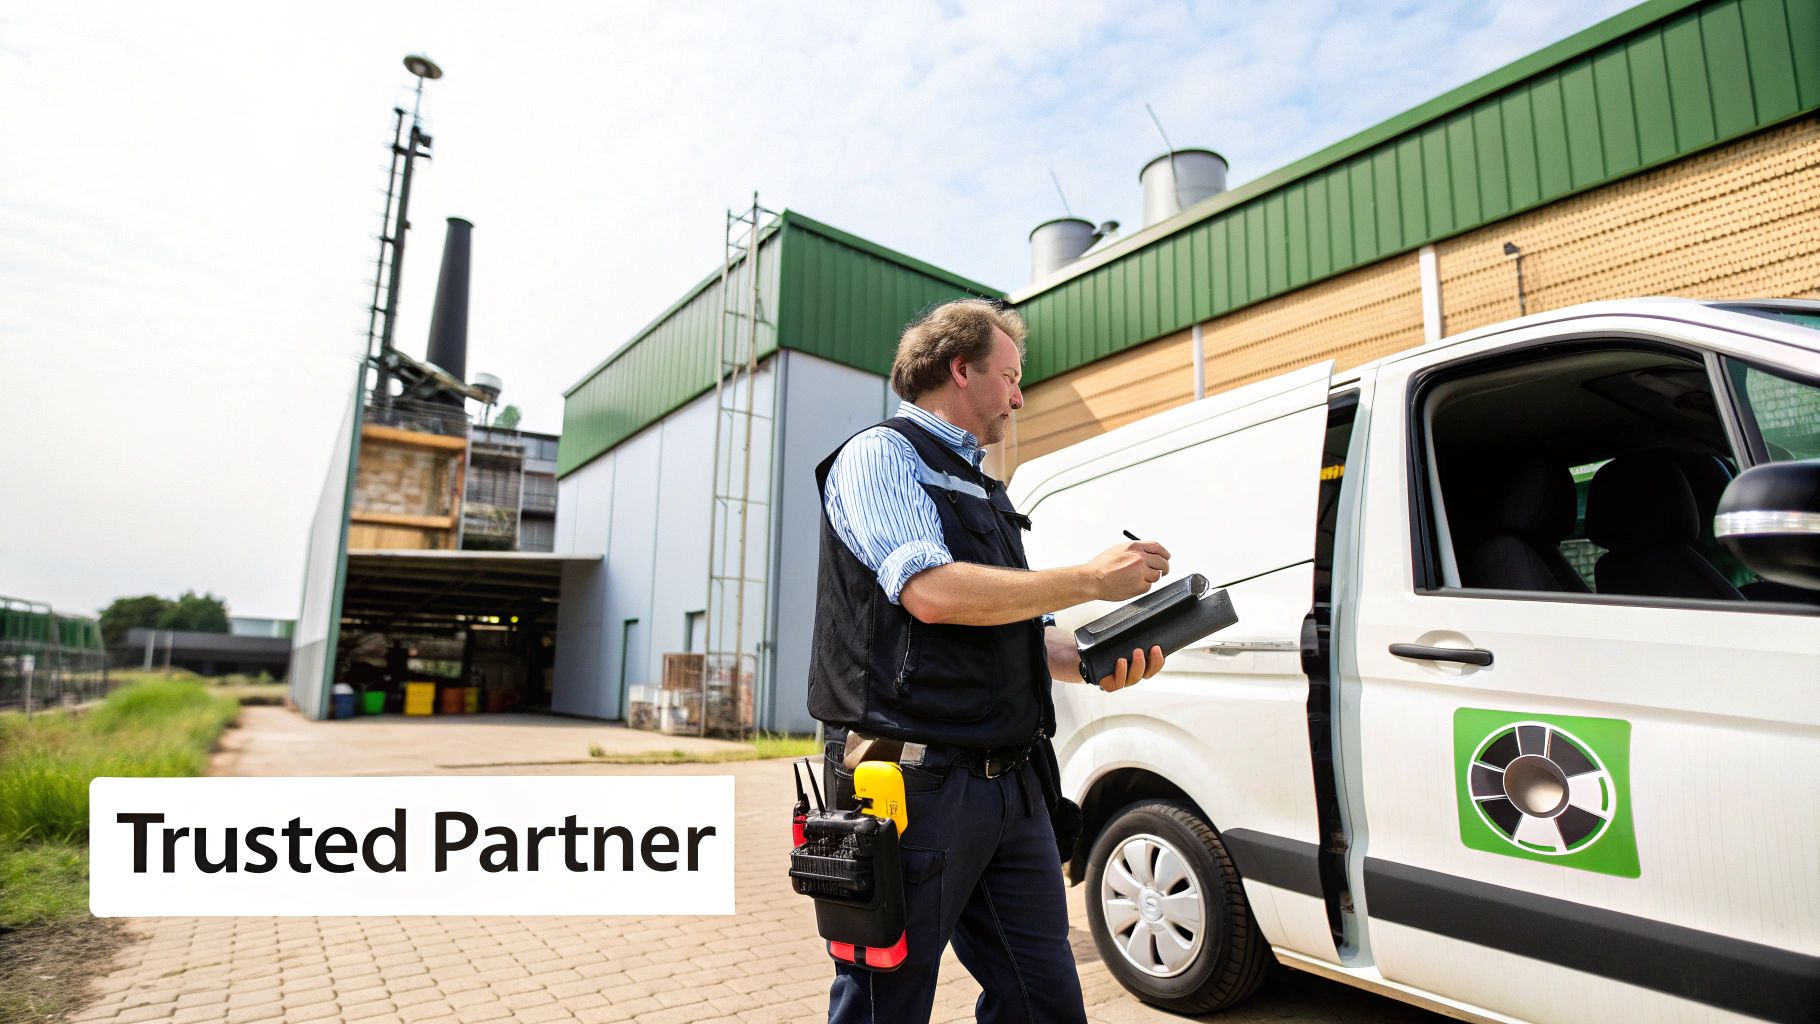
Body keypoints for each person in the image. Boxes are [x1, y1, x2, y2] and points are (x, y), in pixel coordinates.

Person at [807, 298, 1171, 1023]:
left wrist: (1098, 656)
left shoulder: (983, 487)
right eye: (1009, 375)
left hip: (1013, 784)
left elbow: (1017, 632)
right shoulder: (883, 456)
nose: (1020, 394)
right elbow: (932, 594)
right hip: (910, 782)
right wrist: (1090, 578)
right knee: (886, 1003)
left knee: (1045, 1003)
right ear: (960, 368)